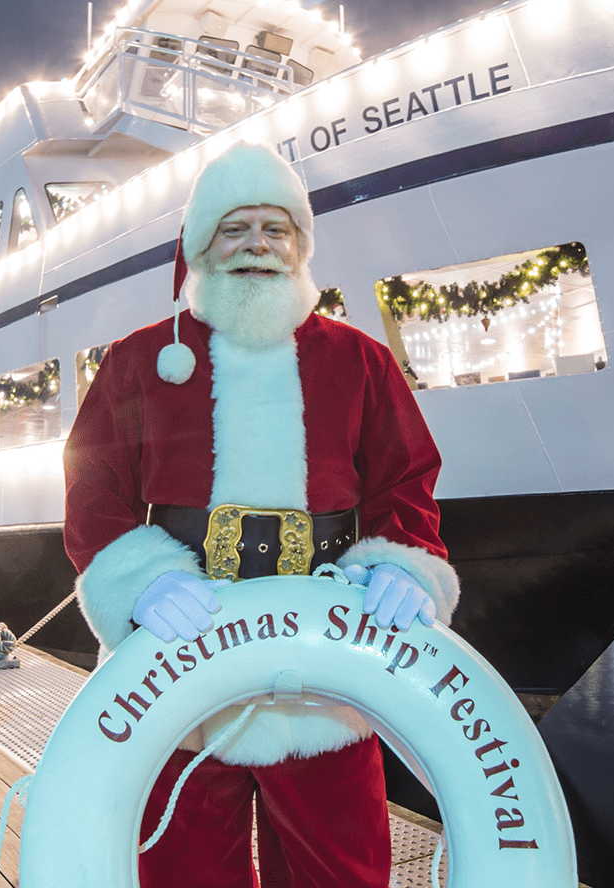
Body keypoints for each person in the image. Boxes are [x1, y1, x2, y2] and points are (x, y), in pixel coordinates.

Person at [64, 142, 457, 888]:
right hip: (180, 662)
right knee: (182, 874)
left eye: (275, 229)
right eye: (235, 228)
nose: (257, 245)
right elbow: (92, 485)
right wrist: (140, 583)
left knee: (340, 873)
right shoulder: (139, 360)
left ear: (300, 244)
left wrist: (401, 562)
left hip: (326, 673)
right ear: (200, 245)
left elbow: (405, 477)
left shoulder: (360, 360)